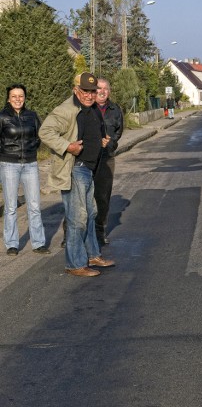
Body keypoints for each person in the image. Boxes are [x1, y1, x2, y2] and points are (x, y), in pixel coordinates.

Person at [39, 72, 115, 277]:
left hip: (89, 169)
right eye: (86, 91)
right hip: (75, 168)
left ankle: (92, 255)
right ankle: (74, 263)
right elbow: (45, 132)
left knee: (90, 214)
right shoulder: (65, 110)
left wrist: (101, 141)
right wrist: (67, 146)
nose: (90, 95)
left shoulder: (91, 109)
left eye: (93, 91)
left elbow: (91, 132)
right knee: (77, 218)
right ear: (75, 90)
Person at [0, 84, 48, 256]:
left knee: (34, 205)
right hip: (9, 165)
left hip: (30, 164)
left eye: (21, 96)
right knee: (11, 206)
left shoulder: (32, 116)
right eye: (14, 96)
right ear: (8, 98)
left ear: (25, 97)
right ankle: (12, 244)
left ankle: (38, 243)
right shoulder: (2, 116)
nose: (18, 99)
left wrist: (32, 149)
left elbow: (39, 136)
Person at [93, 78, 123, 246]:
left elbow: (119, 130)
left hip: (106, 158)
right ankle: (71, 233)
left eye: (105, 88)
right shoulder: (87, 108)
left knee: (103, 197)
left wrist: (112, 143)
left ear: (109, 92)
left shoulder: (115, 109)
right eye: (99, 88)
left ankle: (99, 231)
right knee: (81, 196)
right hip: (87, 158)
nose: (102, 91)